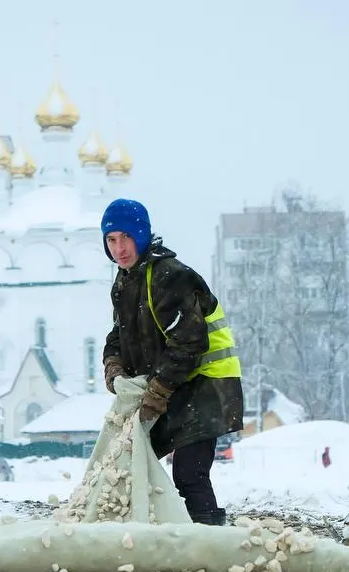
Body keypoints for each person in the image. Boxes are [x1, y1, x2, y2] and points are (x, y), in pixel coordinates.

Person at [100, 198, 244, 525]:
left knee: (189, 473)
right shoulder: (124, 283)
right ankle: (157, 532)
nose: (119, 248)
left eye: (126, 237)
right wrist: (114, 368)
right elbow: (118, 337)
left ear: (142, 235)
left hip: (206, 385)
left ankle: (208, 538)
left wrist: (158, 392)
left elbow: (189, 342)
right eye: (111, 239)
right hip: (175, 386)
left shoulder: (169, 276)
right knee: (132, 462)